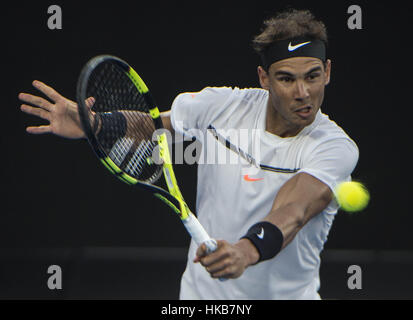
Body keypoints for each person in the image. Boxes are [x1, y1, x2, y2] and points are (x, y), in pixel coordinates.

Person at [19, 9, 358, 299]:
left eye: (313, 77)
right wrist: (97, 123)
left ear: (327, 72)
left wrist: (244, 251)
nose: (303, 93)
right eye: (287, 79)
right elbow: (154, 126)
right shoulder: (222, 106)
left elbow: (294, 210)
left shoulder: (334, 147)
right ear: (264, 78)